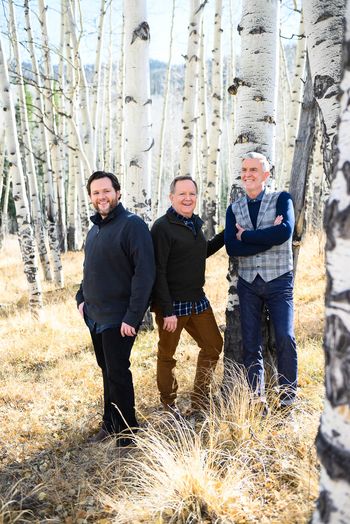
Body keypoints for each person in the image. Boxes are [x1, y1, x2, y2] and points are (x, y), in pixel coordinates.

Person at [76, 171, 155, 444]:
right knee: (107, 371)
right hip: (96, 316)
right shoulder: (94, 229)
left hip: (120, 317)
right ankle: (110, 424)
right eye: (96, 193)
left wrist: (133, 317)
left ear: (118, 192)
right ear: (90, 197)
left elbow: (145, 274)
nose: (101, 197)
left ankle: (128, 433)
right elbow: (89, 269)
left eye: (106, 191)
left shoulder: (133, 225)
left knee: (118, 373)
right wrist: (80, 298)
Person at [225, 152, 297, 410]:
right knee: (250, 342)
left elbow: (285, 232)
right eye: (244, 169)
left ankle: (288, 398)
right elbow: (232, 247)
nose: (248, 174)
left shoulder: (282, 199)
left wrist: (248, 236)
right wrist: (267, 237)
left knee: (285, 337)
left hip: (279, 280)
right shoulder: (234, 209)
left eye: (254, 169)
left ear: (266, 175)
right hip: (248, 283)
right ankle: (257, 399)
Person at [151, 175, 224, 414]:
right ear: (171, 197)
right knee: (167, 354)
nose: (187, 198)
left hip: (197, 300)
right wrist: (167, 310)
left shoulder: (194, 224)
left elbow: (200, 252)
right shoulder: (162, 227)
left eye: (191, 194)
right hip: (172, 304)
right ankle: (169, 404)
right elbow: (158, 270)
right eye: (182, 194)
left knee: (213, 345)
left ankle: (200, 401)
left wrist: (227, 234)